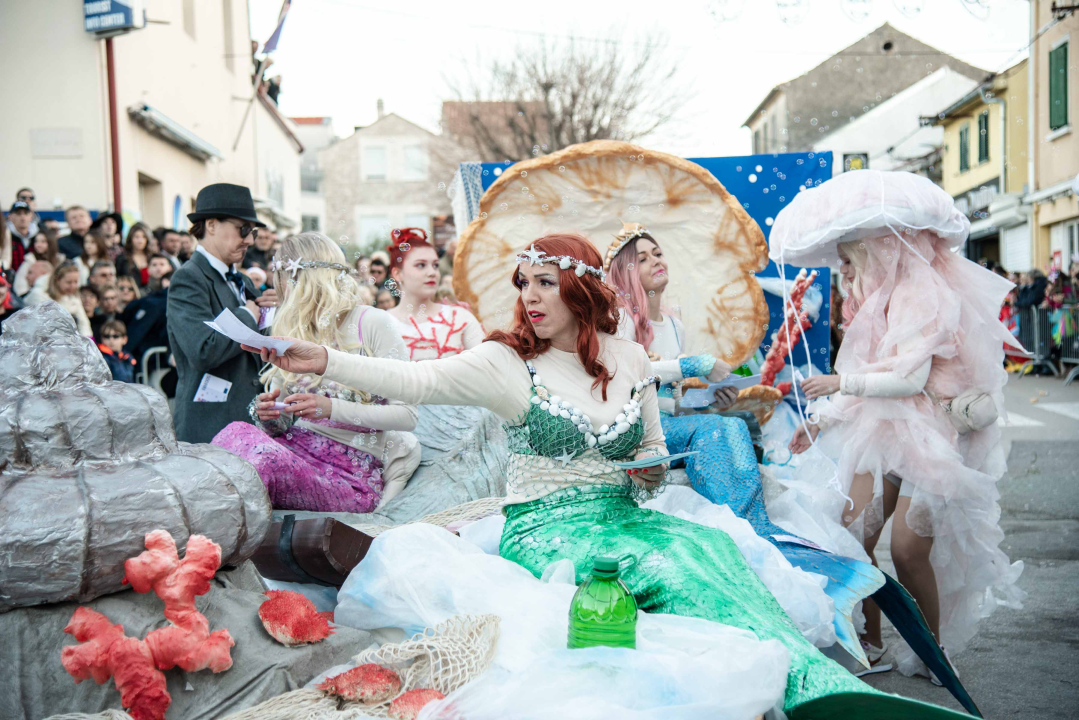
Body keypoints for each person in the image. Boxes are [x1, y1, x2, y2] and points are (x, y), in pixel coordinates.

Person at [248, 233, 970, 719]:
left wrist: (649, 471)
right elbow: (415, 379)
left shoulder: (625, 357)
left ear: (581, 291)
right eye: (522, 283)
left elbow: (649, 445)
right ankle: (813, 687)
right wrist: (329, 364)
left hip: (624, 510)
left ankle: (809, 681)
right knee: (667, 558)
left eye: (545, 283)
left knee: (710, 549)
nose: (529, 297)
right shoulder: (505, 363)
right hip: (547, 526)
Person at [780, 170, 1023, 684]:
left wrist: (840, 383)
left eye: (848, 256)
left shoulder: (923, 293)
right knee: (852, 536)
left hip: (935, 434)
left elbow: (907, 378)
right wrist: (821, 422)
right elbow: (869, 371)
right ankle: (869, 643)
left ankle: (933, 651)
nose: (842, 268)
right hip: (884, 430)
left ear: (877, 249)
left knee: (911, 550)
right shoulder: (867, 295)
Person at [605, 222, 883, 666]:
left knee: (730, 422)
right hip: (633, 435)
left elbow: (672, 401)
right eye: (641, 258)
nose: (656, 261)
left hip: (669, 425)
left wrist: (708, 396)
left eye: (658, 252)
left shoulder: (671, 322)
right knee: (723, 431)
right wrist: (692, 366)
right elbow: (628, 379)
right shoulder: (616, 318)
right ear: (622, 272)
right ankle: (752, 533)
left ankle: (755, 531)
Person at [214, 232, 421, 513]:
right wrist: (270, 416)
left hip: (348, 473)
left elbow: (407, 416)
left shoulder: (372, 322)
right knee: (235, 432)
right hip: (294, 449)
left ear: (305, 281)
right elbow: (285, 420)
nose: (281, 292)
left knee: (263, 459)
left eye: (283, 280)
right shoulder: (295, 329)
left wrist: (330, 408)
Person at [167, 183, 275, 444]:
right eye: (244, 229)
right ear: (212, 225)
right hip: (211, 426)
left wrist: (275, 316)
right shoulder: (188, 278)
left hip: (249, 422)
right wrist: (248, 316)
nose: (249, 240)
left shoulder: (243, 281)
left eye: (253, 231)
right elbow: (203, 350)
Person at [385, 228, 484, 360]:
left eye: (436, 265)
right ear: (397, 274)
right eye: (421, 265)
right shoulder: (381, 323)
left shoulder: (460, 319)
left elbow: (486, 368)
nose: (432, 272)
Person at [26, 263, 92, 337]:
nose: (73, 286)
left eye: (75, 282)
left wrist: (88, 342)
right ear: (57, 280)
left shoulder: (74, 297)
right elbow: (44, 325)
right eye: (69, 282)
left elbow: (83, 323)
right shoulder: (38, 295)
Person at [123, 271, 172, 367]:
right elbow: (139, 330)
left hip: (152, 357)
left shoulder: (156, 300)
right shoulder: (155, 302)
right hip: (146, 357)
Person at [114, 222, 153, 288]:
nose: (140, 241)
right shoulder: (122, 259)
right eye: (136, 237)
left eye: (144, 237)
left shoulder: (152, 257)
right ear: (130, 238)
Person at [6, 201, 35, 271]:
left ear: (31, 216)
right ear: (10, 217)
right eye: (18, 213)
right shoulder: (5, 237)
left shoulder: (38, 236)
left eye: (26, 213)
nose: (23, 217)